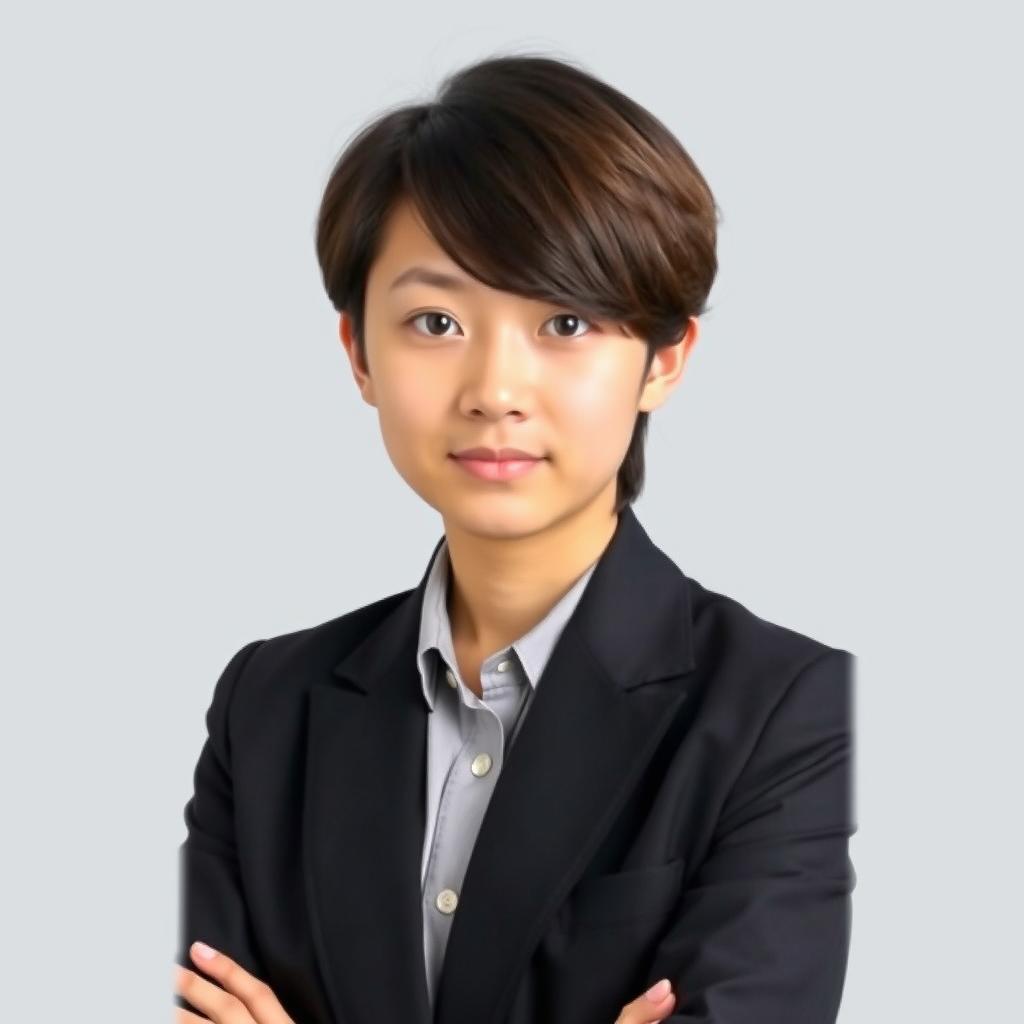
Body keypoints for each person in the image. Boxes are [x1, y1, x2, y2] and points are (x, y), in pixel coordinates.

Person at [174, 52, 856, 1024]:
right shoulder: (267, 706)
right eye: (436, 320)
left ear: (664, 360)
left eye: (565, 322)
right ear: (359, 354)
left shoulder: (784, 711)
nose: (494, 390)